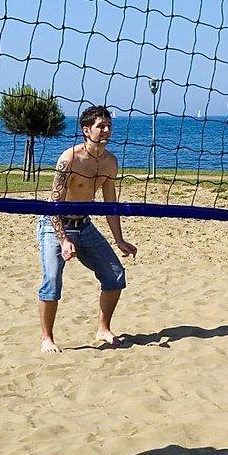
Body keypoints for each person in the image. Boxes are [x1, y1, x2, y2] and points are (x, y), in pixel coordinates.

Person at [39, 104, 138, 353]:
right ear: (86, 130)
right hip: (55, 225)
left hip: (84, 224)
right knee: (52, 281)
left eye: (108, 126)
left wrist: (119, 239)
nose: (106, 130)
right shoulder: (69, 159)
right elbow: (54, 204)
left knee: (115, 275)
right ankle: (47, 338)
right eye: (100, 126)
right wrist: (63, 241)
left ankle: (103, 329)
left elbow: (110, 203)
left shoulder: (110, 162)